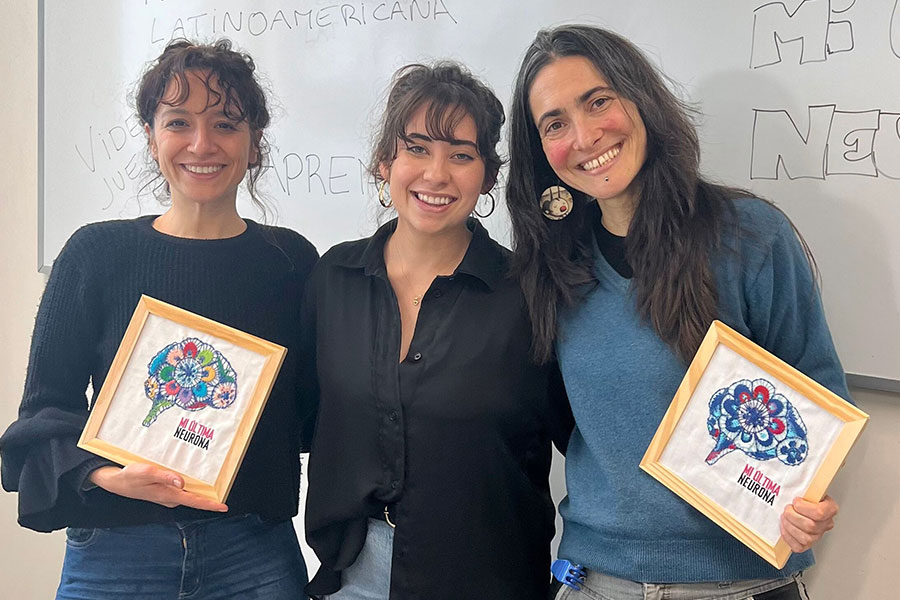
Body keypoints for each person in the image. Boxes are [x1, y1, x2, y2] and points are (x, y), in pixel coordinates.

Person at [506, 25, 849, 600]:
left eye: (598, 101)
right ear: (541, 151)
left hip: (743, 583)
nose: (586, 135)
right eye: (555, 123)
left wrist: (806, 501)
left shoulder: (751, 237)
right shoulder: (552, 266)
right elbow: (567, 424)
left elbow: (819, 401)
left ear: (640, 99)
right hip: (597, 580)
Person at [0, 39, 317, 599]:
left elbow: (317, 410)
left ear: (255, 141)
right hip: (115, 550)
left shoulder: (291, 262)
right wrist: (104, 474)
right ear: (151, 137)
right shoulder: (95, 254)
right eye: (178, 122)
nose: (202, 144)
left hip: (253, 550)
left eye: (225, 123)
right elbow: (45, 411)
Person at [303, 62, 572, 600]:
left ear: (488, 176)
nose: (436, 174)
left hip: (488, 578)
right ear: (385, 162)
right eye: (418, 148)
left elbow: (585, 438)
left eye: (462, 155)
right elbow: (305, 417)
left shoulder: (528, 293)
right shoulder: (334, 277)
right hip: (351, 577)